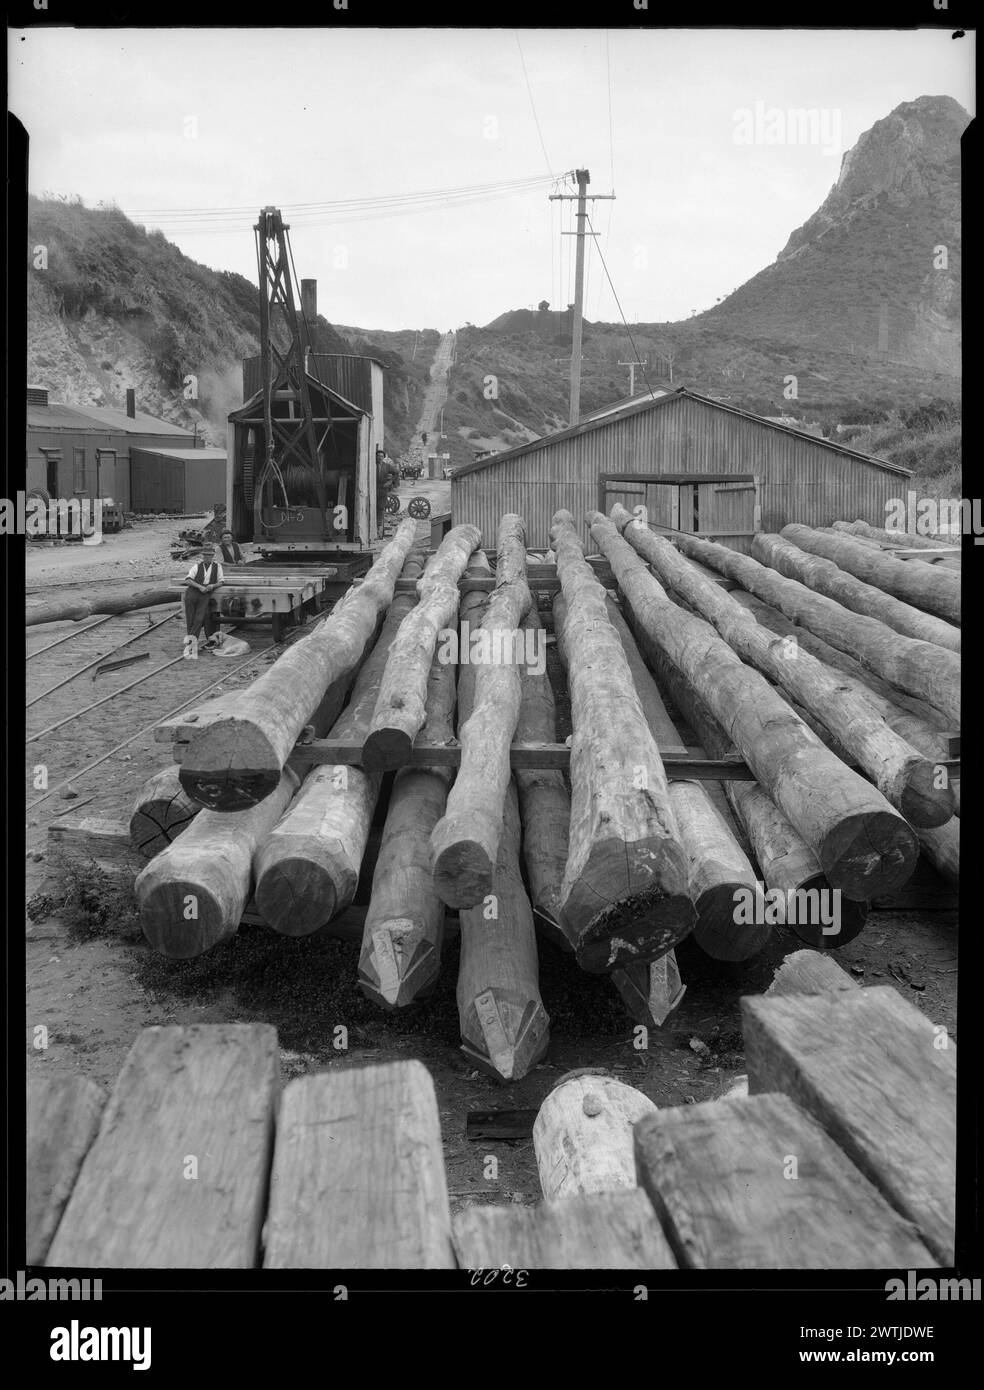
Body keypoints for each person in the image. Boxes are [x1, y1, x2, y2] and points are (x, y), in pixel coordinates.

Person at [180, 543, 224, 657]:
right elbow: (188, 580)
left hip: (205, 594)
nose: (207, 557)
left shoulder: (217, 566)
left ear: (213, 556)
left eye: (209, 555)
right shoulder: (197, 566)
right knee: (191, 619)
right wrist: (199, 586)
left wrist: (212, 586)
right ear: (203, 556)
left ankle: (191, 643)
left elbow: (221, 581)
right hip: (193, 593)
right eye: (205, 555)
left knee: (199, 619)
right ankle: (191, 644)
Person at [375, 446, 400, 538]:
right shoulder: (372, 465)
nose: (380, 458)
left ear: (383, 457)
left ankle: (379, 527)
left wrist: (390, 482)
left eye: (381, 456)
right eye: (378, 456)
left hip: (383, 489)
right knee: (373, 508)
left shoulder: (387, 466)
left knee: (381, 508)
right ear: (376, 457)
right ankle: (373, 526)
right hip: (374, 489)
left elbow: (396, 472)